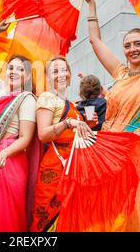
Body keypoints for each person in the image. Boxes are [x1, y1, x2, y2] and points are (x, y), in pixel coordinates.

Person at [77, 0, 140, 231]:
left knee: (139, 209)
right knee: (104, 210)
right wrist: (92, 5)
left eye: (138, 43)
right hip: (106, 147)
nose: (132, 49)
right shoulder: (120, 73)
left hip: (139, 150)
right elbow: (96, 42)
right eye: (127, 45)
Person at [0, 20, 40, 231]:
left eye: (20, 69)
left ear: (27, 75)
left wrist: (4, 154)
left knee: (8, 213)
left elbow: (25, 138)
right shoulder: (1, 91)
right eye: (11, 67)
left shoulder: (27, 99)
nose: (13, 71)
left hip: (10, 160)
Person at [30, 56, 95, 232]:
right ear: (48, 77)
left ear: (70, 74)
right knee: (49, 219)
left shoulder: (69, 103)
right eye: (55, 71)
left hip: (74, 168)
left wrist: (88, 124)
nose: (61, 74)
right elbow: (43, 134)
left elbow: (71, 134)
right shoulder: (47, 98)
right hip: (55, 169)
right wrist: (67, 123)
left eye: (64, 70)